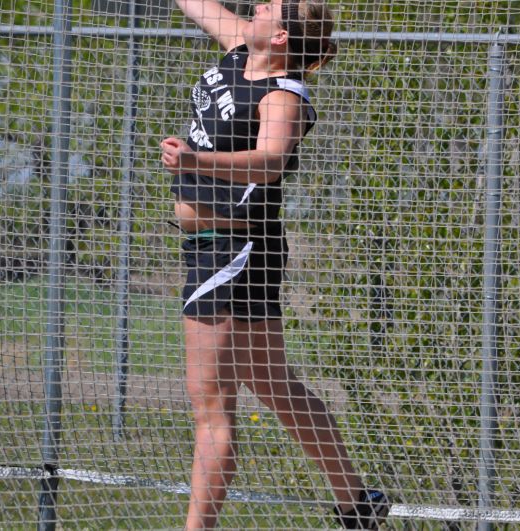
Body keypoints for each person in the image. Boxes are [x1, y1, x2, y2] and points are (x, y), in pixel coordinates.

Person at [160, 0, 389, 529]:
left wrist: (195, 161)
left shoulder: (283, 95)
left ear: (281, 35)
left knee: (211, 407)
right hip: (223, 249)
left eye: (270, 6)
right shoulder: (241, 46)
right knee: (273, 384)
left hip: (232, 252)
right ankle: (358, 505)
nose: (257, 5)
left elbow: (268, 164)